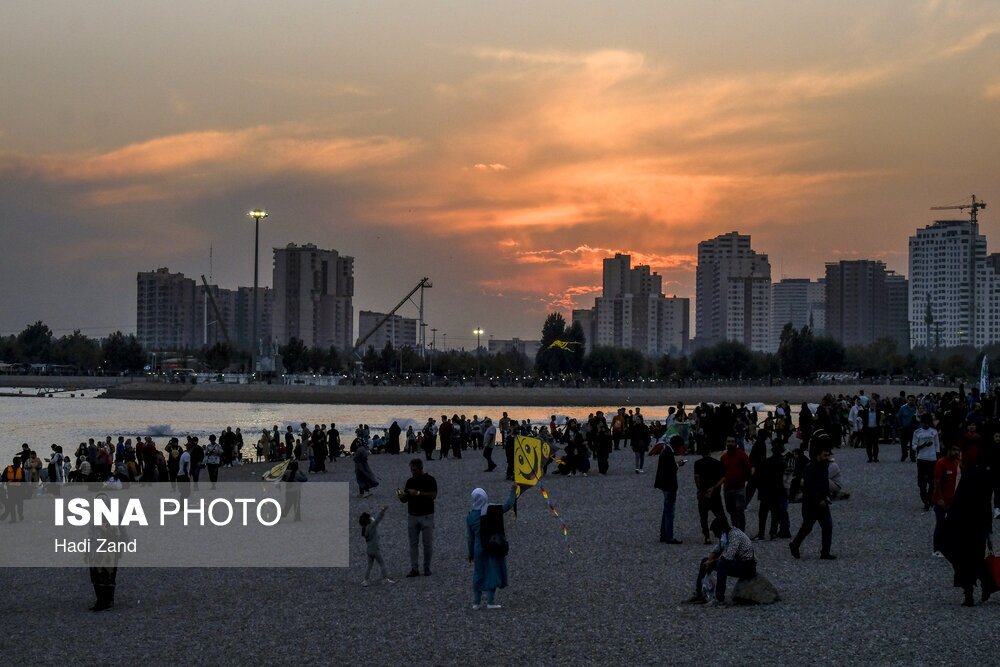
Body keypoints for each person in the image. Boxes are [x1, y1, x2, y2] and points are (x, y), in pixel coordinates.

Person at [940, 456, 996, 606]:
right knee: (974, 558)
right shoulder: (983, 485)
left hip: (962, 527)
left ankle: (971, 591)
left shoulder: (966, 484)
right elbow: (986, 510)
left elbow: (956, 507)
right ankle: (985, 584)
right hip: (976, 528)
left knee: (963, 560)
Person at [686, 517, 756, 606]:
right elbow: (717, 550)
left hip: (747, 566)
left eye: (715, 533)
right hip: (737, 563)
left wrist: (711, 562)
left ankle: (720, 599)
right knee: (705, 561)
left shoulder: (735, 535)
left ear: (721, 529)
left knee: (722, 564)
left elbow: (728, 557)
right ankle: (700, 594)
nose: (715, 536)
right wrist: (708, 562)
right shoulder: (725, 535)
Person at [467, 485, 517, 609]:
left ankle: (476, 603)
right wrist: (513, 491)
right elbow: (508, 505)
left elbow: (470, 538)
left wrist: (470, 553)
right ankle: (490, 602)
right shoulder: (491, 510)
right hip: (491, 546)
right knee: (492, 572)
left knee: (478, 573)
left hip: (478, 547)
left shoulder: (470, 516)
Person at [789, 437, 836, 560]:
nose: (827, 457)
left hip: (823, 502)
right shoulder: (810, 468)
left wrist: (826, 497)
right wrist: (819, 499)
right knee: (807, 527)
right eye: (825, 455)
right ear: (819, 454)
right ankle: (795, 545)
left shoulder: (824, 467)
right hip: (811, 504)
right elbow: (809, 487)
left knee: (827, 526)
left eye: (828, 455)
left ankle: (825, 552)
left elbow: (825, 485)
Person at [87, 492, 126, 611]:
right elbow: (91, 535)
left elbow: (118, 535)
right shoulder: (95, 516)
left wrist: (103, 528)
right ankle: (100, 601)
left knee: (107, 576)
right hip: (96, 549)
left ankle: (108, 601)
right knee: (96, 576)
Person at [398, 459, 437, 577]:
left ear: (421, 468)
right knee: (413, 544)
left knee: (427, 544)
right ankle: (414, 568)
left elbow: (433, 495)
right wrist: (402, 496)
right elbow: (405, 499)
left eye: (414, 470)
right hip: (412, 516)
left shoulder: (430, 480)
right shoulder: (410, 481)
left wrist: (418, 493)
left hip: (426, 515)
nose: (412, 472)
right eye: (411, 469)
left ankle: (427, 567)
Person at [755, 439, 791, 540]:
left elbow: (759, 477)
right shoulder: (783, 464)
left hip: (765, 491)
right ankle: (773, 533)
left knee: (763, 514)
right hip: (777, 491)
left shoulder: (765, 462)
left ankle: (761, 533)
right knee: (775, 514)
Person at [932, 443, 961, 557]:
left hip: (953, 501)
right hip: (942, 501)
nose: (956, 453)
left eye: (958, 450)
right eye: (954, 450)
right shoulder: (941, 463)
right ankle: (937, 549)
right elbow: (936, 482)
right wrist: (939, 498)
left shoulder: (957, 464)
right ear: (948, 450)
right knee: (940, 525)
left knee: (953, 525)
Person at [654, 435, 685, 544]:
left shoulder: (665, 451)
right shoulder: (668, 453)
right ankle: (669, 536)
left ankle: (664, 534)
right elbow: (670, 470)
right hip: (669, 485)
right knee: (670, 512)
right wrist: (678, 465)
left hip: (664, 484)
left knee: (666, 510)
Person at [694, 446, 726, 544]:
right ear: (710, 453)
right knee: (720, 515)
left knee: (703, 516)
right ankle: (724, 534)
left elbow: (697, 478)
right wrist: (714, 487)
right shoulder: (718, 463)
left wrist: (699, 489)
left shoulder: (698, 463)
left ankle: (707, 536)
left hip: (703, 492)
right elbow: (723, 478)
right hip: (715, 493)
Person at [720, 435, 751, 531]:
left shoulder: (741, 455)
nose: (730, 443)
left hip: (739, 488)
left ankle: (741, 531)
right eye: (728, 441)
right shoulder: (724, 457)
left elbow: (748, 468)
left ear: (736, 443)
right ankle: (735, 530)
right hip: (727, 488)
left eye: (732, 441)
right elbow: (721, 471)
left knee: (740, 510)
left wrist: (744, 479)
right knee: (731, 511)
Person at [911, 414, 941, 510]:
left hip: (932, 459)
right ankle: (925, 501)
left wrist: (937, 456)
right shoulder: (917, 432)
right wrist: (923, 445)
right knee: (922, 483)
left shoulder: (934, 432)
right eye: (924, 422)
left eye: (928, 422)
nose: (926, 423)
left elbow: (937, 446)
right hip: (922, 459)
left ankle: (929, 498)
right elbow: (913, 446)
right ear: (922, 422)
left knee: (932, 482)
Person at [360, 506, 395, 586]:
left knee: (369, 566)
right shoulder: (371, 526)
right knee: (382, 563)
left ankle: (366, 580)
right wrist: (382, 511)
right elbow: (378, 520)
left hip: (369, 550)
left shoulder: (364, 529)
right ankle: (385, 579)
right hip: (375, 549)